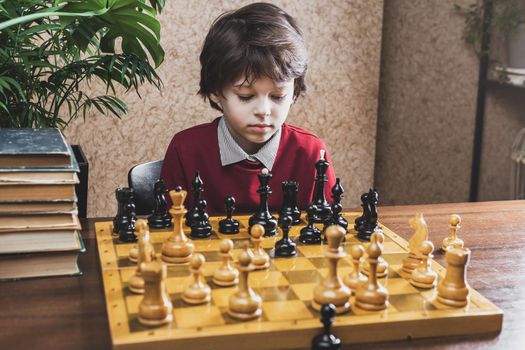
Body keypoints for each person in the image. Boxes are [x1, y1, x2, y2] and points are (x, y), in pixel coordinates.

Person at [161, 2, 336, 214]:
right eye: (246, 96)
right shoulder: (185, 149)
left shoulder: (310, 152)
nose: (263, 110)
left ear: (295, 92)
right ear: (216, 90)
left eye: (278, 96)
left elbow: (327, 229)